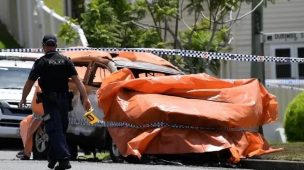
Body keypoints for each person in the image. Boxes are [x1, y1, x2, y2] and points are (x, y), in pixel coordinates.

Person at [19, 34, 91, 170]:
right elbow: (78, 81)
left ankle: (64, 160)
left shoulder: (42, 62)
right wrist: (85, 98)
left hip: (50, 102)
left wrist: (23, 98)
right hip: (64, 101)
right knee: (60, 129)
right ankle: (52, 159)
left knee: (54, 129)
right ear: (56, 46)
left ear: (44, 46)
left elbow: (30, 82)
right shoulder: (66, 61)